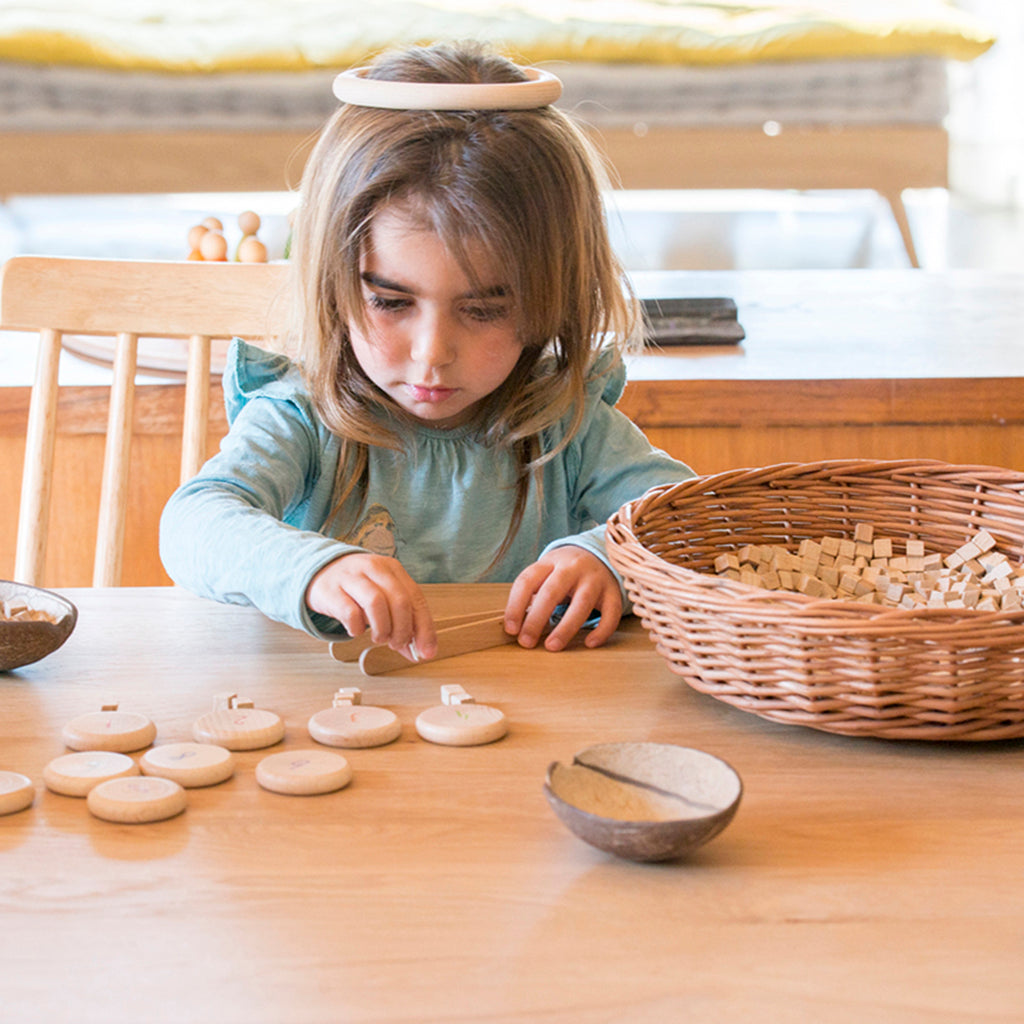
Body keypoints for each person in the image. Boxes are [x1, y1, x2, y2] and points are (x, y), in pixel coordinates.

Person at [159, 40, 694, 663]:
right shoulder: (303, 416)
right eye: (391, 302)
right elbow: (194, 524)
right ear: (333, 283)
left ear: (553, 298)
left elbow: (687, 524)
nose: (432, 355)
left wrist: (604, 556)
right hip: (338, 712)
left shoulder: (566, 424)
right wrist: (313, 569)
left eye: (485, 309)